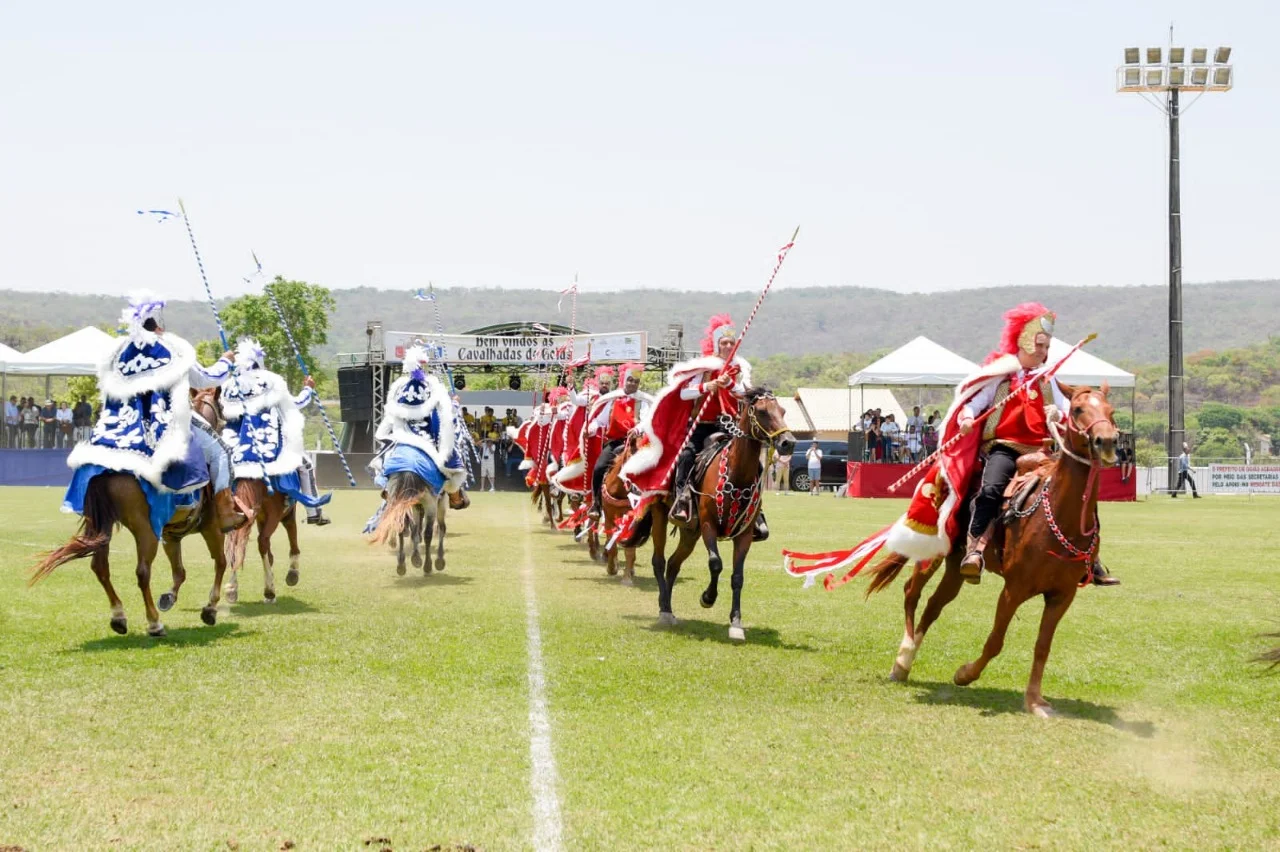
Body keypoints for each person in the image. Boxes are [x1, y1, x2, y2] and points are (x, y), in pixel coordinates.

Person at [65, 293, 248, 532]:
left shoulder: (119, 352)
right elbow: (207, 379)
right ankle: (225, 512)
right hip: (166, 419)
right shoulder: (173, 347)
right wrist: (226, 361)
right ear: (158, 326)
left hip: (122, 426)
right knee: (222, 452)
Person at [623, 314, 770, 540]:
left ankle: (756, 511)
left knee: (753, 463)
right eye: (724, 343)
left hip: (730, 426)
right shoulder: (705, 367)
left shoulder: (740, 369)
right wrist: (707, 386)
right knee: (687, 456)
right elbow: (683, 393)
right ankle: (682, 499)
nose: (728, 346)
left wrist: (731, 384)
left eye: (731, 343)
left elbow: (747, 394)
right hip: (701, 425)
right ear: (716, 345)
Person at [219, 338, 331, 525]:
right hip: (266, 440)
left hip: (233, 442)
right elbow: (296, 404)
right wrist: (308, 389)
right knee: (305, 465)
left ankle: (211, 507)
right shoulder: (271, 380)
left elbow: (220, 411)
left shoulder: (228, 385)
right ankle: (314, 513)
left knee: (215, 464)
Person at [586, 363, 653, 518]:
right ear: (625, 381)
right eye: (630, 380)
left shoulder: (642, 400)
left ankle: (649, 506)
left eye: (636, 382)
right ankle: (596, 504)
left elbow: (647, 419)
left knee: (650, 469)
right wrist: (592, 428)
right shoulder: (612, 399)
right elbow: (601, 421)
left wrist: (637, 429)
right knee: (598, 468)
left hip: (635, 443)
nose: (632, 384)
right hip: (615, 442)